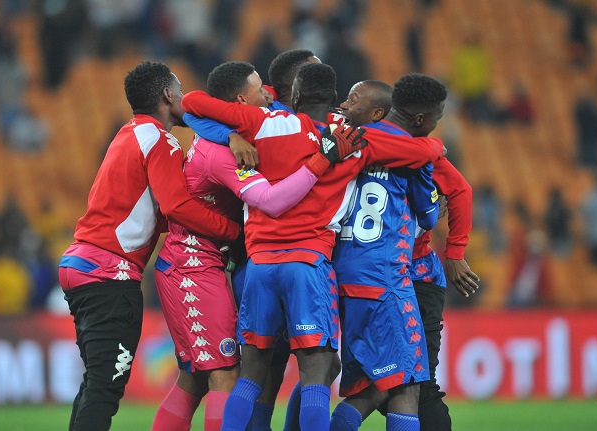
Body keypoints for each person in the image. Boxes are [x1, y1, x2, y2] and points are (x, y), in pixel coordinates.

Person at [182, 62, 444, 430]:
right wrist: (435, 144)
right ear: (335, 99)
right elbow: (419, 153)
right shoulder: (351, 139)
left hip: (258, 264)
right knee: (317, 374)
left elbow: (192, 101)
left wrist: (230, 136)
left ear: (297, 96)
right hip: (309, 263)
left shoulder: (264, 122)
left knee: (252, 373)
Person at [151, 61, 347, 431]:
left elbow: (195, 106)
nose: (267, 92)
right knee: (255, 370)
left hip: (246, 261)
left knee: (210, 377)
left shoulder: (262, 122)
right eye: (260, 88)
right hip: (206, 262)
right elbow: (270, 200)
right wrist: (320, 162)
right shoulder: (236, 144)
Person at [57, 61, 240, 431]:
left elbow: (156, 212)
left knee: (97, 382)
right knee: (105, 389)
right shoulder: (161, 139)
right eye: (180, 88)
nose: (186, 97)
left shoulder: (131, 133)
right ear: (167, 95)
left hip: (83, 263)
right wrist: (233, 232)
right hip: (109, 270)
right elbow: (177, 206)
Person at [334, 76, 479, 431]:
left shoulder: (347, 140)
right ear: (418, 119)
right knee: (411, 385)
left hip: (344, 272)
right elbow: (448, 198)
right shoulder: (417, 150)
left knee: (365, 381)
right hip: (398, 275)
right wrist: (454, 249)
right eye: (436, 118)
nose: (345, 107)